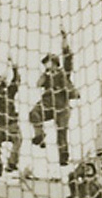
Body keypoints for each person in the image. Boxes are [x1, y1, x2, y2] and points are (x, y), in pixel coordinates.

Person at [29, 37, 79, 166]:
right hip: (48, 105)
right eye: (45, 63)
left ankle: (63, 156)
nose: (46, 65)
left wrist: (64, 39)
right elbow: (37, 84)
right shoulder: (46, 76)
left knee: (61, 132)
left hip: (62, 106)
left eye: (48, 62)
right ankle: (39, 135)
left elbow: (68, 59)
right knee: (34, 113)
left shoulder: (63, 73)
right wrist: (45, 75)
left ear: (55, 62)